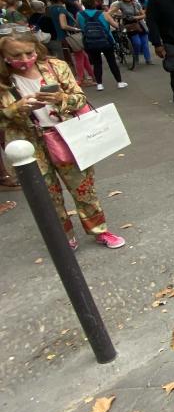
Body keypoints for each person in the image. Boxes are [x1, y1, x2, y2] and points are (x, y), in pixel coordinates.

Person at [0, 31, 125, 249]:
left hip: (66, 135)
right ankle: (65, 237)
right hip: (28, 145)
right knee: (47, 194)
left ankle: (99, 230)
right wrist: (15, 110)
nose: (23, 59)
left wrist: (61, 98)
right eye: (16, 55)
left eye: (28, 52)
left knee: (83, 187)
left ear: (36, 49)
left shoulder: (55, 67)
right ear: (3, 55)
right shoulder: (3, 81)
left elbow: (79, 98)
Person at [78, 0, 126, 91]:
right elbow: (115, 25)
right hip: (106, 41)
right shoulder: (103, 14)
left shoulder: (80, 14)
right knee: (112, 61)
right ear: (94, 3)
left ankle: (99, 84)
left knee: (96, 63)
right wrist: (121, 26)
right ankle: (119, 82)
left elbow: (81, 27)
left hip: (90, 42)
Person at [111, 0, 152, 65]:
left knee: (145, 44)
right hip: (129, 26)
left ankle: (148, 59)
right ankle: (136, 56)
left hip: (140, 24)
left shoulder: (136, 4)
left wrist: (136, 17)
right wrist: (117, 16)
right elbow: (111, 12)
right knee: (137, 43)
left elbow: (143, 14)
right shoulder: (120, 4)